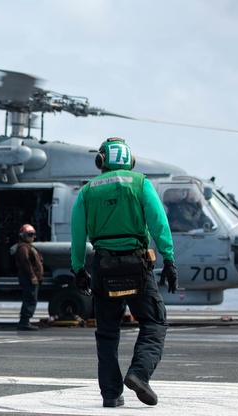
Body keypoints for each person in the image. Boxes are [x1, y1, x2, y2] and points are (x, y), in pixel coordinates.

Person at [70, 137, 178, 408]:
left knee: (107, 333)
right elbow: (158, 223)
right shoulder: (141, 183)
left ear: (101, 161)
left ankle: (110, 394)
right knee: (154, 322)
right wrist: (169, 260)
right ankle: (139, 373)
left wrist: (79, 269)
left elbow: (77, 234)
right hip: (137, 265)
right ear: (130, 161)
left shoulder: (87, 191)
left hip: (103, 267)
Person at [13, 224, 43, 331]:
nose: (33, 237)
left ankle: (25, 321)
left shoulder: (28, 247)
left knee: (31, 298)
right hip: (27, 277)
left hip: (30, 277)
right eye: (30, 235)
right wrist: (32, 276)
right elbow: (26, 263)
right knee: (30, 299)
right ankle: (24, 322)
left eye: (34, 234)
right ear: (23, 235)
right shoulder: (23, 248)